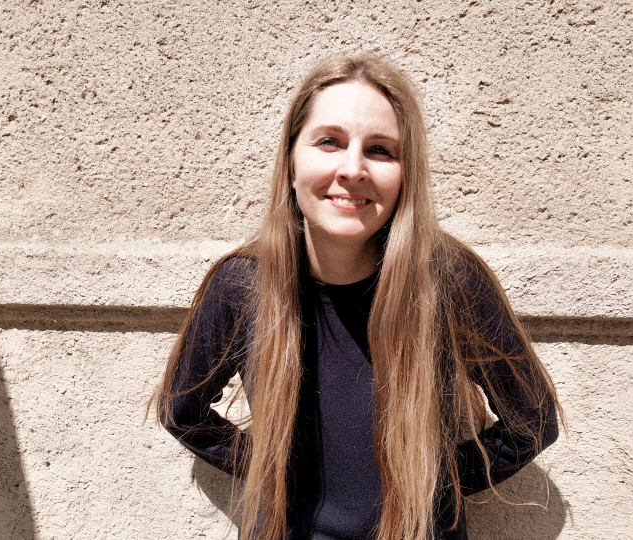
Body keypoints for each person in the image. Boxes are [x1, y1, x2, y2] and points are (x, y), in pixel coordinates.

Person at [153, 54, 562, 540]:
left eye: (380, 150)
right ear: (291, 164)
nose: (353, 169)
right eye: (329, 141)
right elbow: (182, 411)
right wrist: (274, 471)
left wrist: (432, 486)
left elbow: (532, 422)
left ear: (406, 174)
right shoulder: (243, 286)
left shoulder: (448, 280)